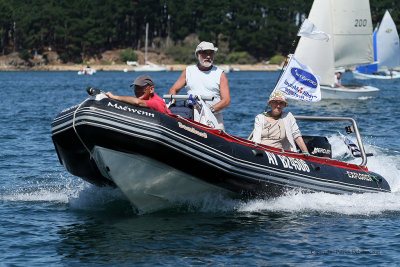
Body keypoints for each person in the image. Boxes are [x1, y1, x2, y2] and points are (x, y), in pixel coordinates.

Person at [168, 41, 230, 129]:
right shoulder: (188, 71)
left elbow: (226, 100)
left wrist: (209, 111)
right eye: (205, 53)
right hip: (191, 115)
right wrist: (172, 105)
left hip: (214, 117)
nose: (208, 56)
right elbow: (173, 89)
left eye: (211, 53)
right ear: (197, 54)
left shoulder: (220, 74)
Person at [106, 74, 171, 114]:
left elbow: (138, 102)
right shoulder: (145, 100)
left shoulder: (157, 103)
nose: (137, 91)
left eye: (141, 88)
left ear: (151, 89)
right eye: (136, 88)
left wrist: (114, 97)